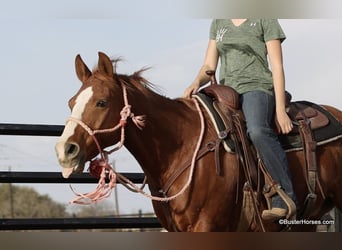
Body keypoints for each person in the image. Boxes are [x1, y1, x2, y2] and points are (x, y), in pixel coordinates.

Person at [183, 19, 296, 221]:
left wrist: (280, 110)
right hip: (226, 91)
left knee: (257, 131)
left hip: (257, 87)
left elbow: (277, 67)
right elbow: (209, 65)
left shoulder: (265, 18)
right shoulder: (219, 22)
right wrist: (195, 83)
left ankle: (284, 195)